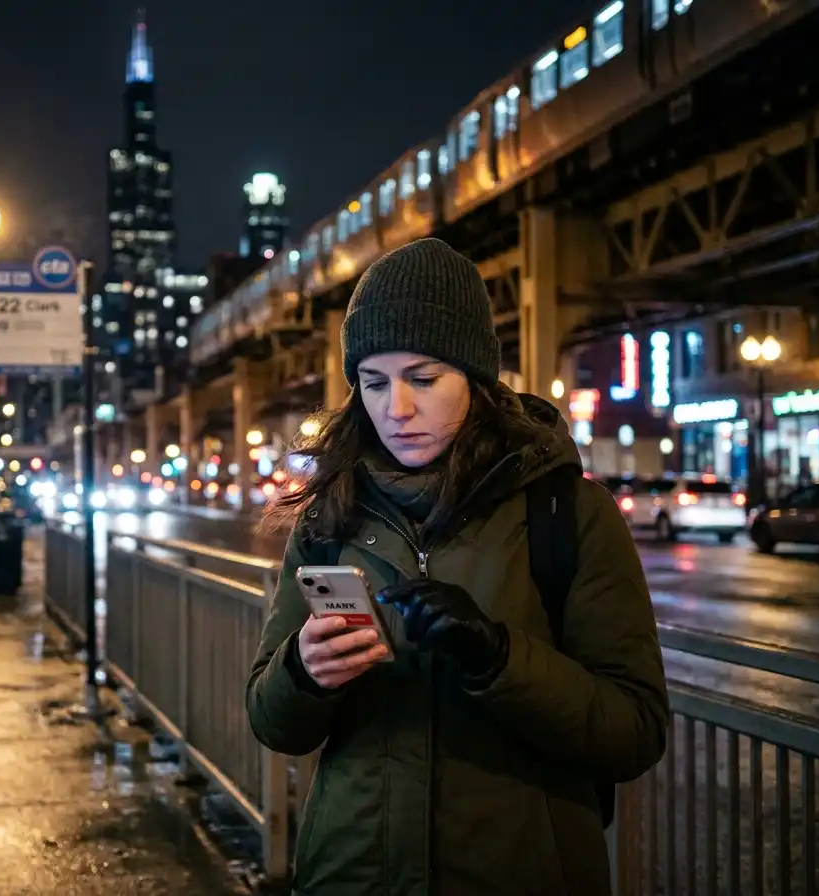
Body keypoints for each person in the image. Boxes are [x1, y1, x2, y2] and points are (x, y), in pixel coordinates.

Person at [246, 238, 669, 896]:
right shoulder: (330, 518)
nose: (397, 409)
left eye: (423, 378)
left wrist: (500, 662)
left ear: (474, 375)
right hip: (351, 876)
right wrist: (303, 671)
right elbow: (273, 723)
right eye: (374, 382)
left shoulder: (567, 512)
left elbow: (634, 732)